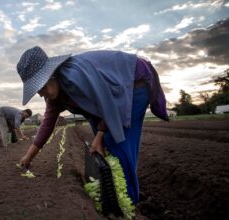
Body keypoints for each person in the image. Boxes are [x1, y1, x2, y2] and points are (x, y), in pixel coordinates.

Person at [16, 46, 169, 205]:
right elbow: (46, 126)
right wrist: (28, 157)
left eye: (40, 87)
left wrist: (101, 134)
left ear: (51, 74)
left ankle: (128, 203)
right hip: (109, 98)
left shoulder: (75, 77)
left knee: (119, 142)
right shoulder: (55, 97)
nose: (40, 94)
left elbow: (110, 105)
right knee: (104, 143)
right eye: (37, 91)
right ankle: (116, 189)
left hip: (131, 84)